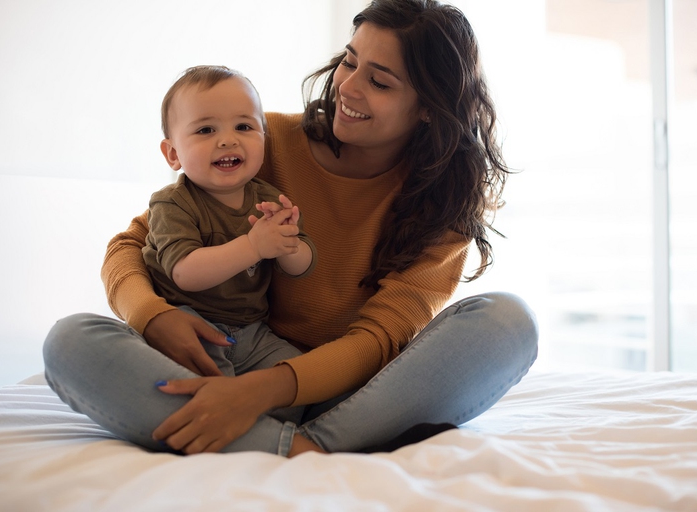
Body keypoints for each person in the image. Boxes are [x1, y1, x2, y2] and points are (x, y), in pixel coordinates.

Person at [43, 0, 539, 458]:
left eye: (380, 81)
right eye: (349, 60)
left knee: (507, 322)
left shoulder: (443, 208)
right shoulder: (257, 141)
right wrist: (152, 316)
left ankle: (286, 442)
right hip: (231, 360)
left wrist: (256, 393)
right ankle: (306, 449)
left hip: (350, 391)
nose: (347, 87)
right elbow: (132, 244)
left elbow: (378, 340)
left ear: (429, 107)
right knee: (71, 342)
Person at [142, 65, 316, 412]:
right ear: (173, 154)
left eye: (244, 126)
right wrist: (253, 246)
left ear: (264, 137)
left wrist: (289, 244)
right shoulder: (172, 203)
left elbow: (302, 267)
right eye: (206, 129)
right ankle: (237, 431)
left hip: (251, 332)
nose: (227, 139)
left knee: (297, 380)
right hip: (190, 327)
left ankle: (273, 429)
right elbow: (185, 273)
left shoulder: (266, 196)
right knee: (211, 392)